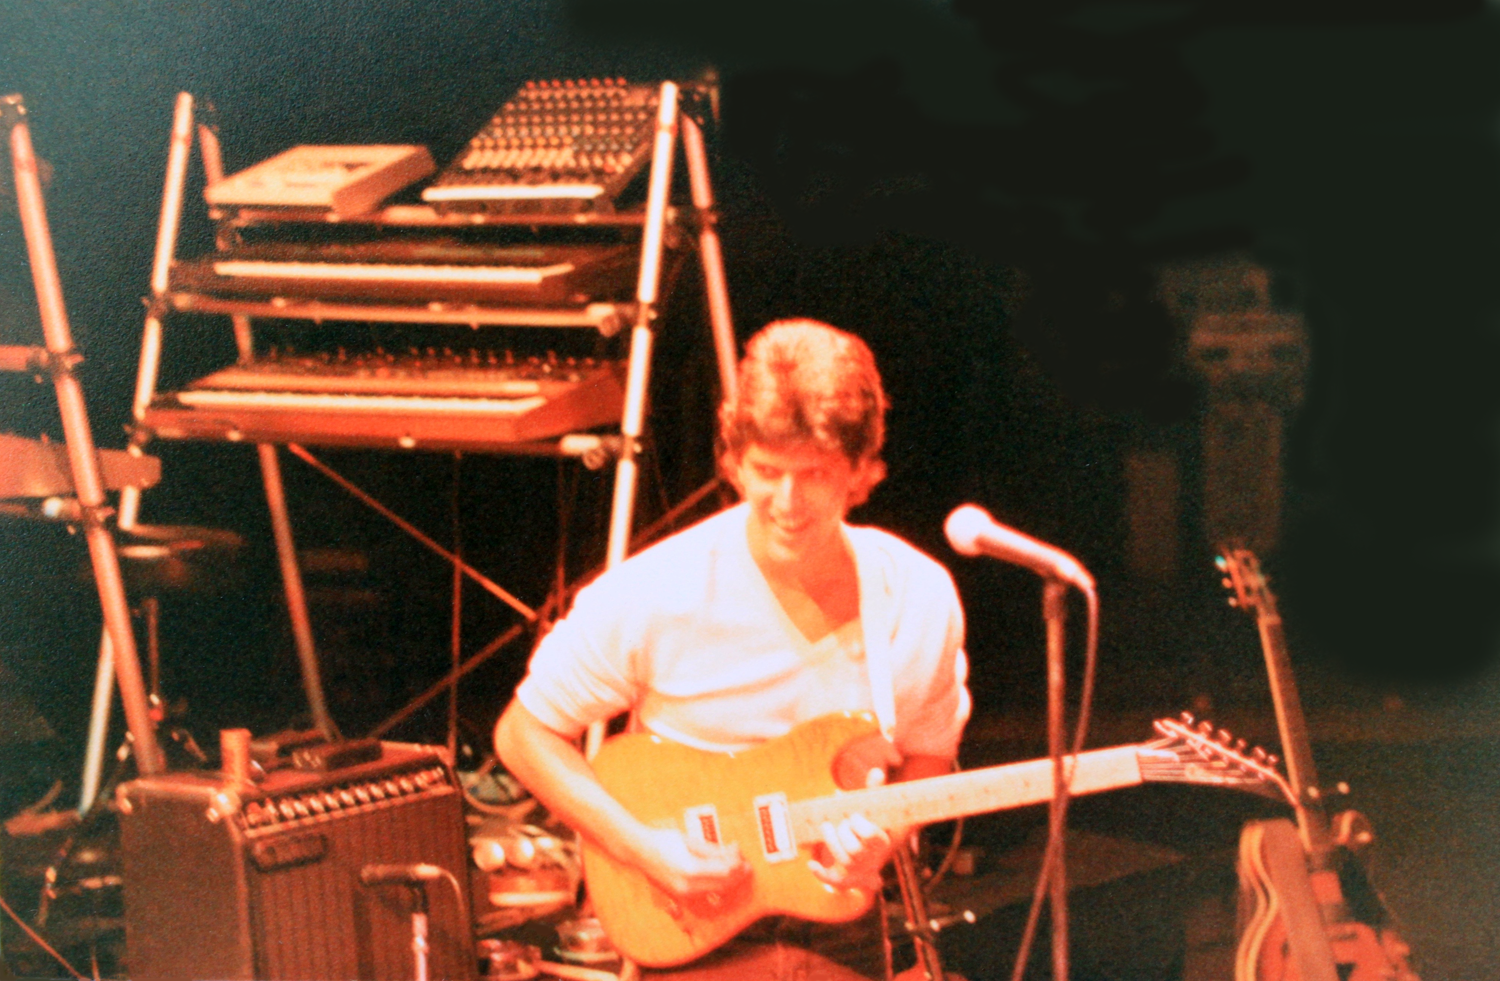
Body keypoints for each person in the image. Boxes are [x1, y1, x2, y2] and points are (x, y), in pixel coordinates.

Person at [494, 318, 971, 979]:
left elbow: (929, 754)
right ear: (734, 463)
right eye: (767, 471)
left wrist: (881, 841)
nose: (787, 502)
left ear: (863, 473)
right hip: (690, 921)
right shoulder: (660, 589)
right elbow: (524, 734)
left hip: (841, 920)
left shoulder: (916, 593)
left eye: (814, 473)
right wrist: (643, 849)